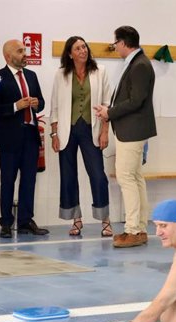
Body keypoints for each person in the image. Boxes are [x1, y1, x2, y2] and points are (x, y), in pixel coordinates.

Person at [94, 26, 156, 249]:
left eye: (115, 43)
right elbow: (130, 99)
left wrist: (109, 112)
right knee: (135, 178)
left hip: (133, 130)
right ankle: (138, 228)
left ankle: (133, 230)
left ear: (123, 43)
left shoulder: (139, 65)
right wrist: (109, 108)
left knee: (126, 178)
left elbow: (136, 100)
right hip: (131, 129)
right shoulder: (136, 63)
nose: (115, 47)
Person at [50, 36, 113, 238]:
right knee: (68, 176)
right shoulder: (61, 75)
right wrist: (53, 133)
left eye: (84, 47)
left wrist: (104, 131)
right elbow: (55, 107)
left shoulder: (100, 71)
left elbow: (106, 103)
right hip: (67, 130)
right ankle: (76, 219)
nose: (83, 51)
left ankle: (105, 220)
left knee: (97, 175)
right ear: (70, 54)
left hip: (90, 129)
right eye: (77, 48)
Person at [0, 40, 48, 239]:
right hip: (9, 138)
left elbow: (41, 103)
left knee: (29, 180)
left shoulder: (32, 76)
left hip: (30, 136)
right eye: (20, 51)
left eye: (24, 50)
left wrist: (36, 103)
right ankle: (6, 222)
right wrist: (16, 106)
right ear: (8, 56)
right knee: (7, 181)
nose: (25, 54)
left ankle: (25, 221)